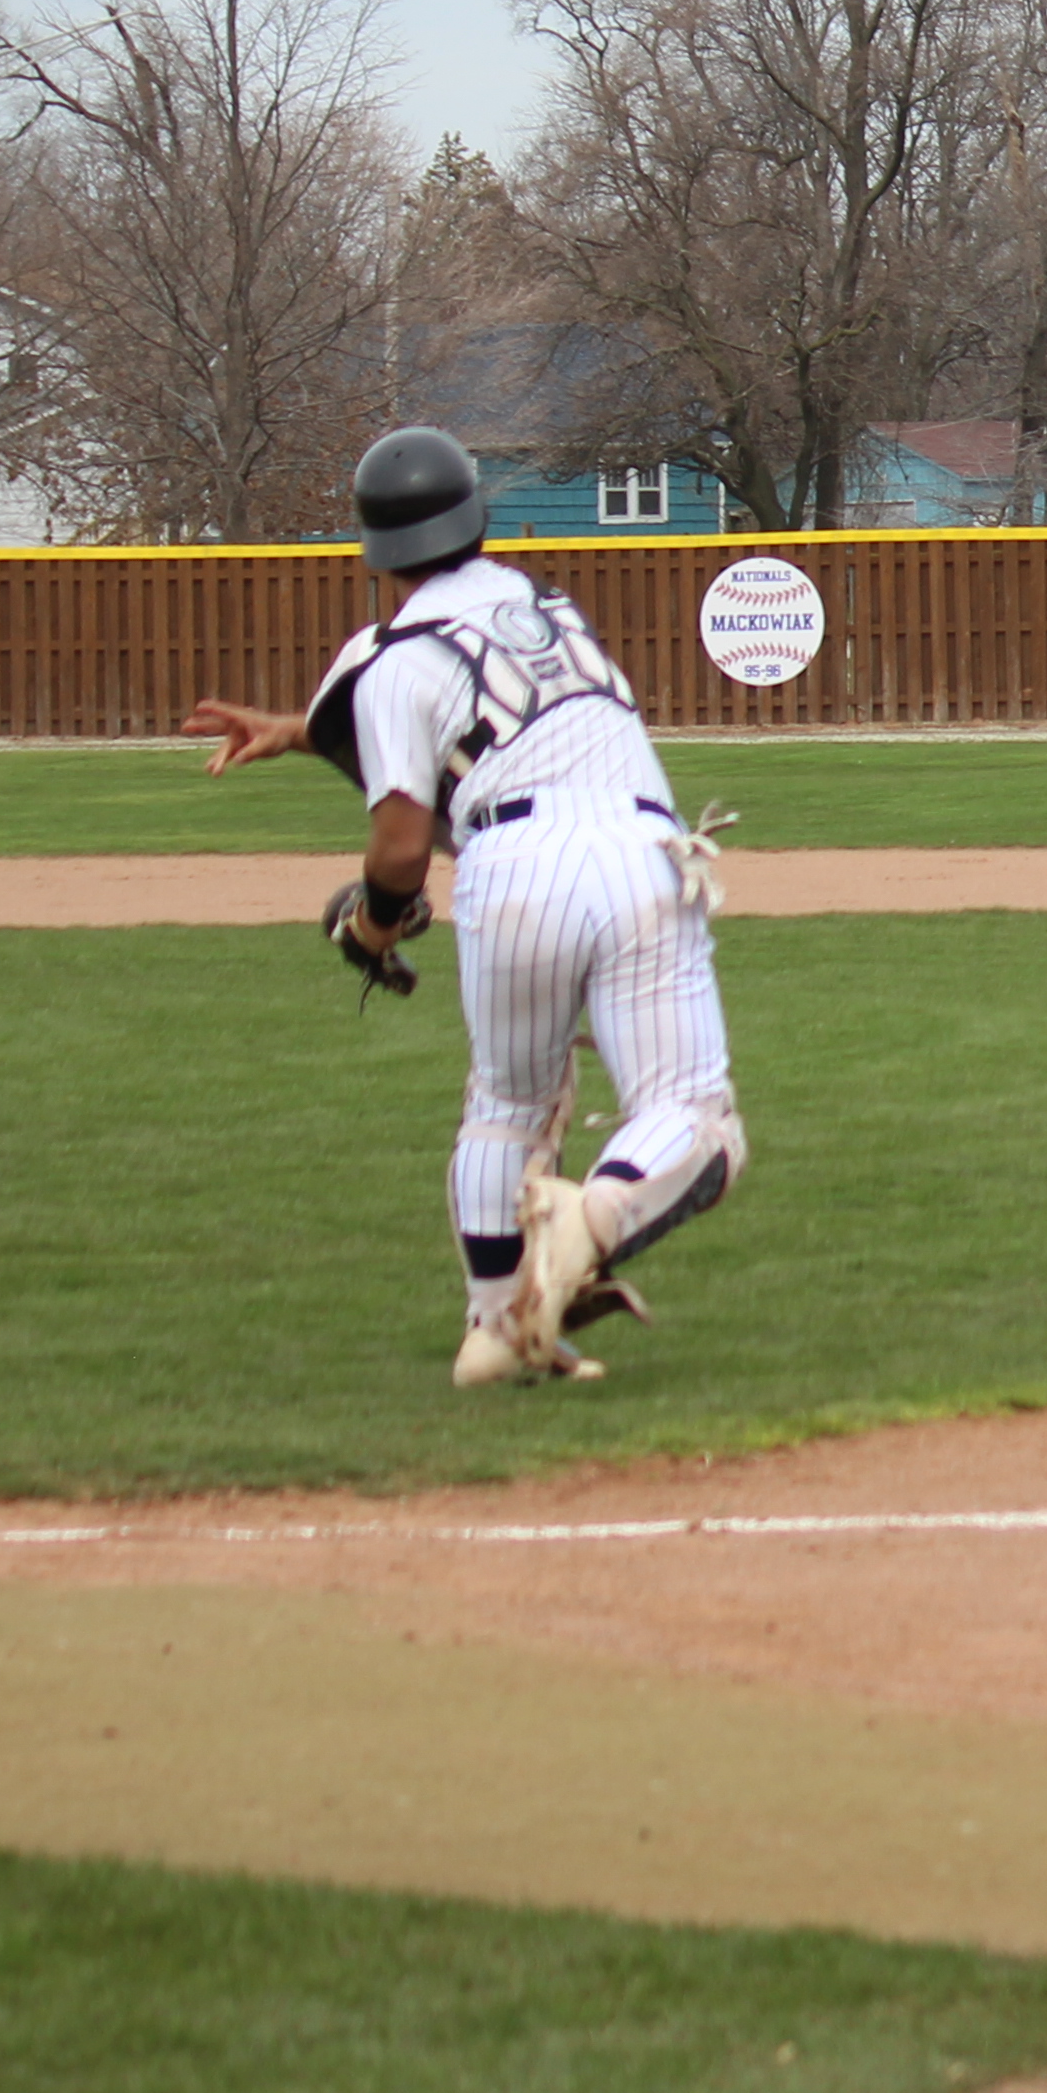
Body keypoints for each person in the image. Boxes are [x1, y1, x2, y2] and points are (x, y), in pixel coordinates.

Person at [183, 426, 751, 1391]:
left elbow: (403, 847)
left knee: (507, 1107)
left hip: (511, 866)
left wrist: (372, 922)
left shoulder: (384, 656)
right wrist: (298, 730)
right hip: (642, 852)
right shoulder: (546, 603)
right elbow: (494, 713)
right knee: (689, 1115)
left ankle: (498, 1322)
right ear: (475, 519)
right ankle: (591, 1227)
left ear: (374, 551)